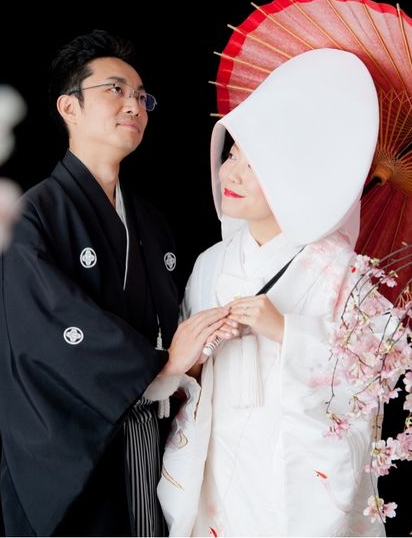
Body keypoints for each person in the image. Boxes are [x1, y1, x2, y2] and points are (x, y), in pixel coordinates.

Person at [0, 29, 232, 537]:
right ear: (69, 107)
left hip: (149, 444)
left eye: (142, 96)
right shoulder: (32, 217)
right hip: (77, 455)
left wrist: (191, 359)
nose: (134, 105)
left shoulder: (152, 224)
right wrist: (164, 365)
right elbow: (44, 335)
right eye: (115, 90)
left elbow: (173, 324)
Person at [156, 48, 389, 536]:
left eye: (254, 164)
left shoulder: (343, 272)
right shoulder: (210, 264)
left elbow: (375, 378)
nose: (231, 174)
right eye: (232, 156)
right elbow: (183, 380)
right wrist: (191, 359)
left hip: (295, 476)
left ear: (293, 177)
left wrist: (286, 330)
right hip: (220, 468)